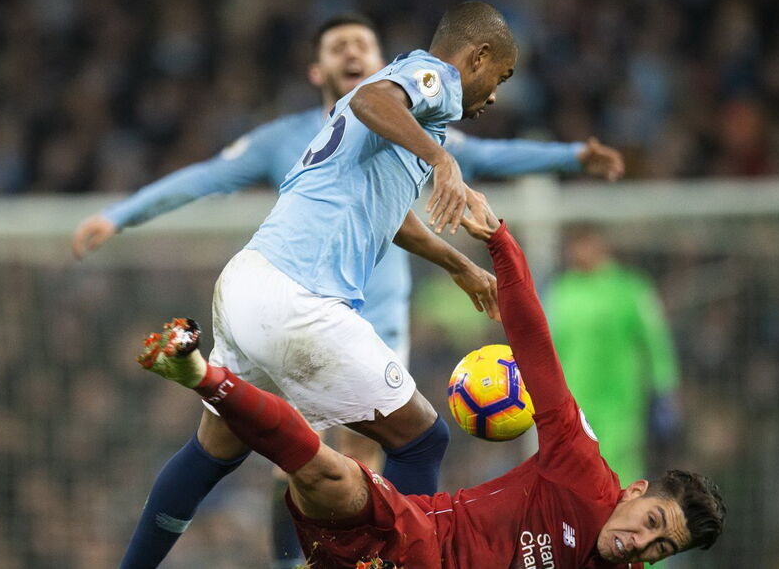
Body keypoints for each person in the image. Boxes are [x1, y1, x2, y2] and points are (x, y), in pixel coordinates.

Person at [73, 12, 624, 567]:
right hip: (299, 300)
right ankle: (399, 560)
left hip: (247, 281)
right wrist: (443, 161)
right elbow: (371, 102)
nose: (495, 95)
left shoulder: (400, 119)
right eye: (500, 77)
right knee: (420, 439)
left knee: (215, 449)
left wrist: (456, 262)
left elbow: (389, 208)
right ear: (477, 57)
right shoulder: (431, 79)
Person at [134, 195, 725, 569]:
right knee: (328, 473)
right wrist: (499, 241)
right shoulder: (581, 471)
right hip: (409, 532)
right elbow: (536, 349)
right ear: (635, 492)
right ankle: (201, 374)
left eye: (659, 550)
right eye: (651, 525)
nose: (639, 546)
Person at [546, 226, 681, 486]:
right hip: (573, 401)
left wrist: (665, 385)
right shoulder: (561, 292)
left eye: (582, 244)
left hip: (621, 401)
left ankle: (623, 522)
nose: (576, 253)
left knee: (620, 469)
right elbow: (547, 347)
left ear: (599, 244)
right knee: (574, 471)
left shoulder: (631, 289)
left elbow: (655, 339)